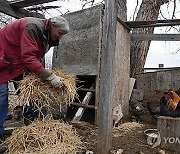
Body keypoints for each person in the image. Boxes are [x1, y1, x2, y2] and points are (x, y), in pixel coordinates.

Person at [0, 15, 70, 136]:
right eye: (60, 32)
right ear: (52, 25)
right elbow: (28, 57)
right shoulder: (32, 26)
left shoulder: (46, 36)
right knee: (1, 95)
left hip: (17, 61)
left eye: (62, 34)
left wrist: (43, 74)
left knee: (32, 92)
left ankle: (30, 126)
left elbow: (37, 57)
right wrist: (50, 76)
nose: (60, 36)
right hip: (3, 58)